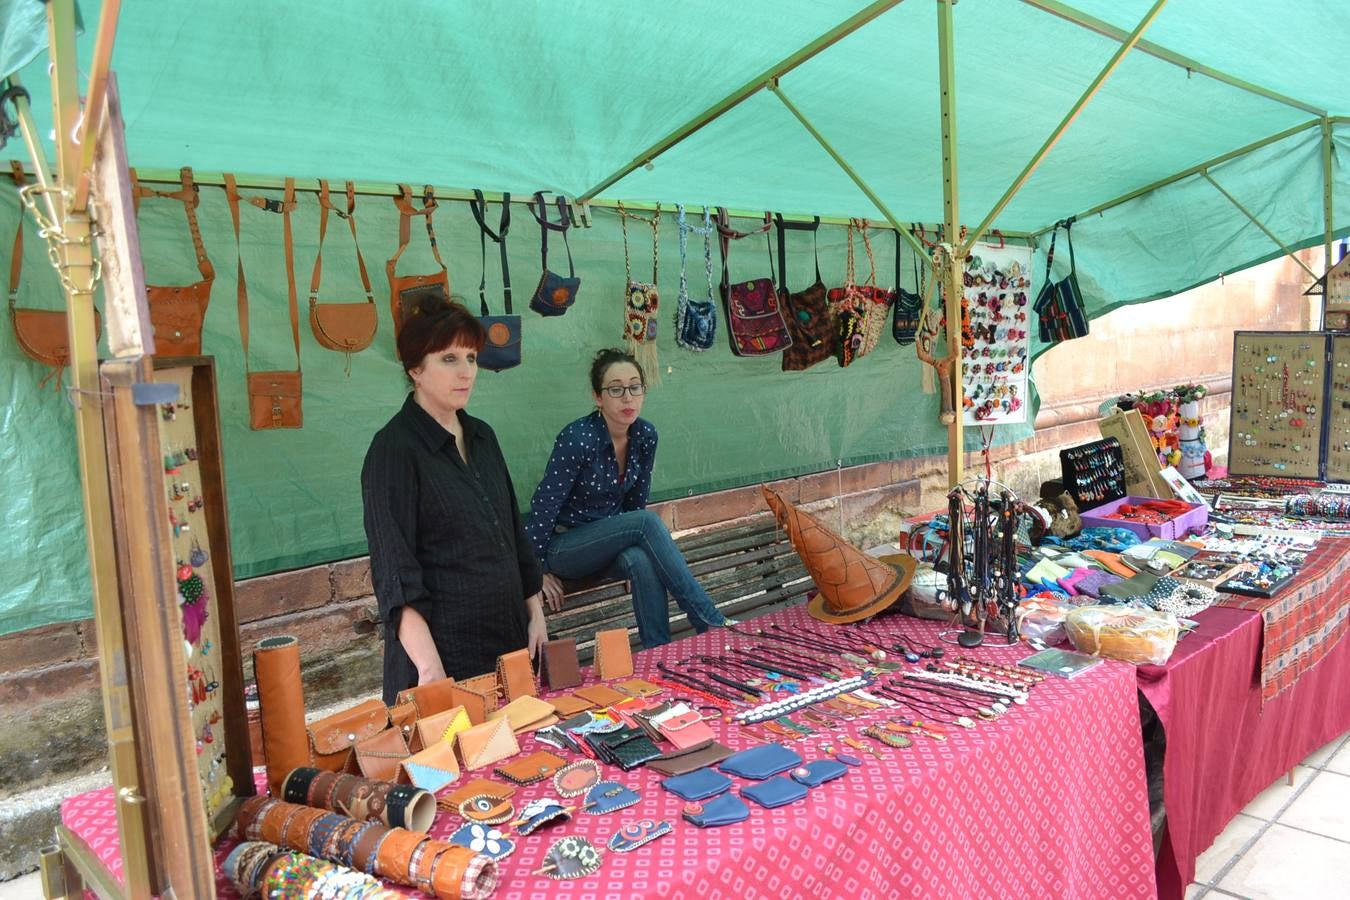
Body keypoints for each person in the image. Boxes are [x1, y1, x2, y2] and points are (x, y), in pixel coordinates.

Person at [362, 295, 546, 704]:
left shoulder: (482, 435)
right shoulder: (393, 451)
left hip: (507, 643)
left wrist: (535, 610)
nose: (466, 372)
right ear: (415, 369)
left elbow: (511, 530)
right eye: (448, 359)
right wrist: (431, 672)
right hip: (444, 659)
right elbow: (395, 574)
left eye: (471, 357)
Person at [526, 348, 733, 648]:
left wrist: (634, 542)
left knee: (640, 559)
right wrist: (538, 569)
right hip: (566, 548)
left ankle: (658, 652)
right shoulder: (578, 438)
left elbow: (635, 502)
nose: (628, 397)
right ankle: (709, 620)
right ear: (598, 397)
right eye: (616, 389)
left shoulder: (645, 436)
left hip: (610, 545)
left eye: (635, 387)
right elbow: (543, 508)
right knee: (647, 523)